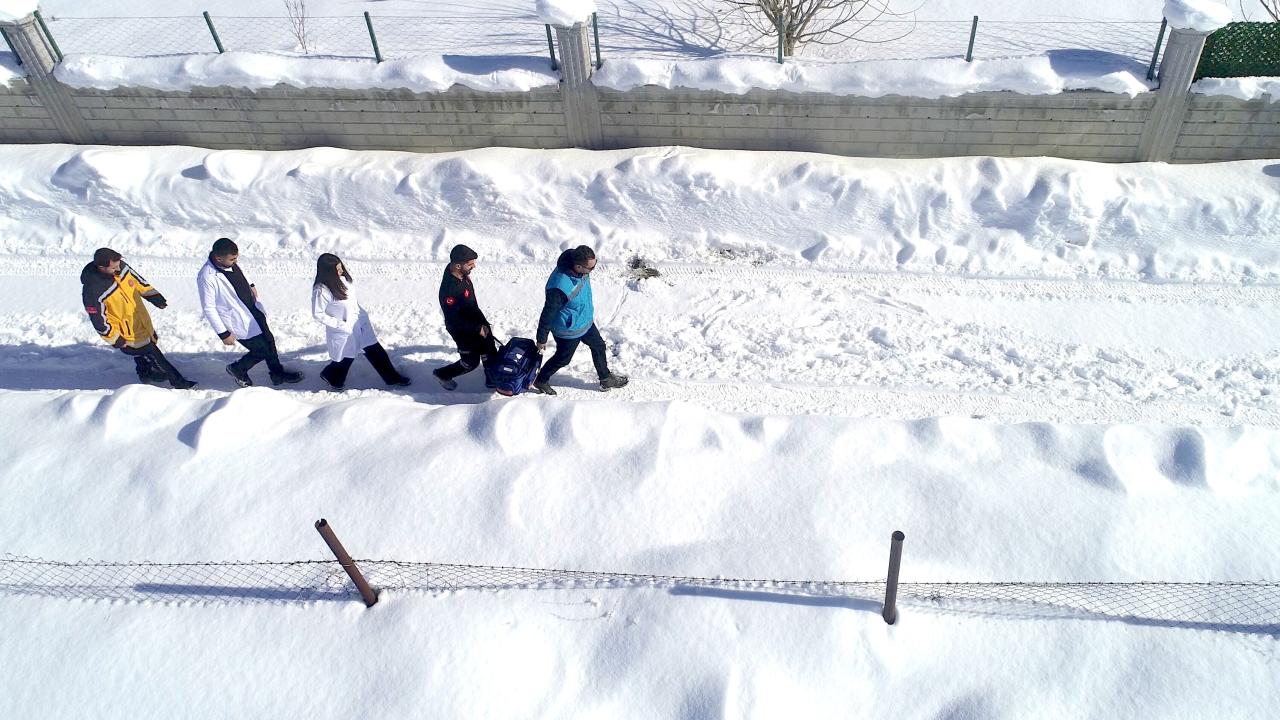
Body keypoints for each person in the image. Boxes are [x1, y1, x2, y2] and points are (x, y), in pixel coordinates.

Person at [80, 248, 196, 389]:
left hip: (140, 319)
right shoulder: (93, 290)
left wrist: (154, 296)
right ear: (101, 267)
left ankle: (145, 373)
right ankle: (178, 382)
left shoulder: (121, 266)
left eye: (119, 264)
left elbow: (138, 281)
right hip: (125, 332)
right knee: (154, 355)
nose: (118, 269)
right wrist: (115, 339)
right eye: (114, 268)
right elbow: (98, 320)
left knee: (143, 353)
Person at [197, 237, 303, 388]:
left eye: (236, 258)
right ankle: (238, 369)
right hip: (237, 319)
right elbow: (208, 308)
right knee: (261, 350)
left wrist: (251, 285)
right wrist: (223, 333)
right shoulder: (206, 277)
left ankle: (277, 374)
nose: (235, 261)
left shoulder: (229, 262)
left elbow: (242, 273)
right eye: (232, 259)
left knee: (269, 341)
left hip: (253, 310)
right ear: (218, 258)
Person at [532, 245, 628, 395]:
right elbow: (548, 313)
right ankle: (541, 380)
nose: (593, 269)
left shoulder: (579, 269)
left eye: (595, 264)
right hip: (568, 329)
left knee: (599, 346)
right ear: (578, 266)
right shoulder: (559, 287)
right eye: (591, 268)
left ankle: (605, 379)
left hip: (584, 321)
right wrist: (541, 338)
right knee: (563, 359)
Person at [311, 253, 410, 390]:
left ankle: (392, 378)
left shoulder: (344, 280)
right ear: (328, 272)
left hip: (359, 323)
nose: (341, 271)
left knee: (374, 350)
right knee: (347, 355)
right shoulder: (321, 290)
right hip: (344, 328)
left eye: (341, 267)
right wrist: (339, 325)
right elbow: (317, 314)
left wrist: (362, 316)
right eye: (337, 269)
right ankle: (332, 377)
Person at [433, 244, 497, 391]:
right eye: (470, 264)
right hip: (461, 330)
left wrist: (482, 323)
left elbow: (471, 303)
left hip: (475, 321)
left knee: (488, 347)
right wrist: (477, 328)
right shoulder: (450, 289)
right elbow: (454, 320)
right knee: (470, 362)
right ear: (457, 266)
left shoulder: (462, 275)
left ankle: (492, 379)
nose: (474, 266)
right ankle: (443, 374)